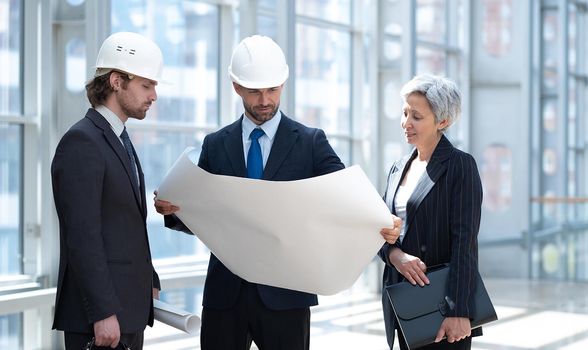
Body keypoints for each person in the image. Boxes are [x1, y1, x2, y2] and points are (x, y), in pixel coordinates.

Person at [154, 35, 401, 350]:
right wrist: (173, 210)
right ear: (236, 87)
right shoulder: (216, 145)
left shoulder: (311, 142)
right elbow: (200, 213)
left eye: (272, 89)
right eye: (255, 91)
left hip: (287, 295)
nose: (264, 100)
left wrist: (380, 218)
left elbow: (346, 194)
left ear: (283, 84)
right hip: (225, 294)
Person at [51, 32, 163, 350]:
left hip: (126, 311)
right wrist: (103, 312)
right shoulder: (83, 142)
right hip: (100, 319)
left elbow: (121, 223)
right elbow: (83, 235)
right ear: (116, 81)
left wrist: (148, 278)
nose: (154, 95)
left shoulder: (118, 139)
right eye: (146, 85)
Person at [378, 74, 483, 350]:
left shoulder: (460, 166)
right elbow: (376, 229)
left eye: (416, 116)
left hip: (441, 306)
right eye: (404, 113)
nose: (406, 123)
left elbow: (465, 243)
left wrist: (459, 310)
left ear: (442, 122)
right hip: (402, 302)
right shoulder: (397, 169)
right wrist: (395, 255)